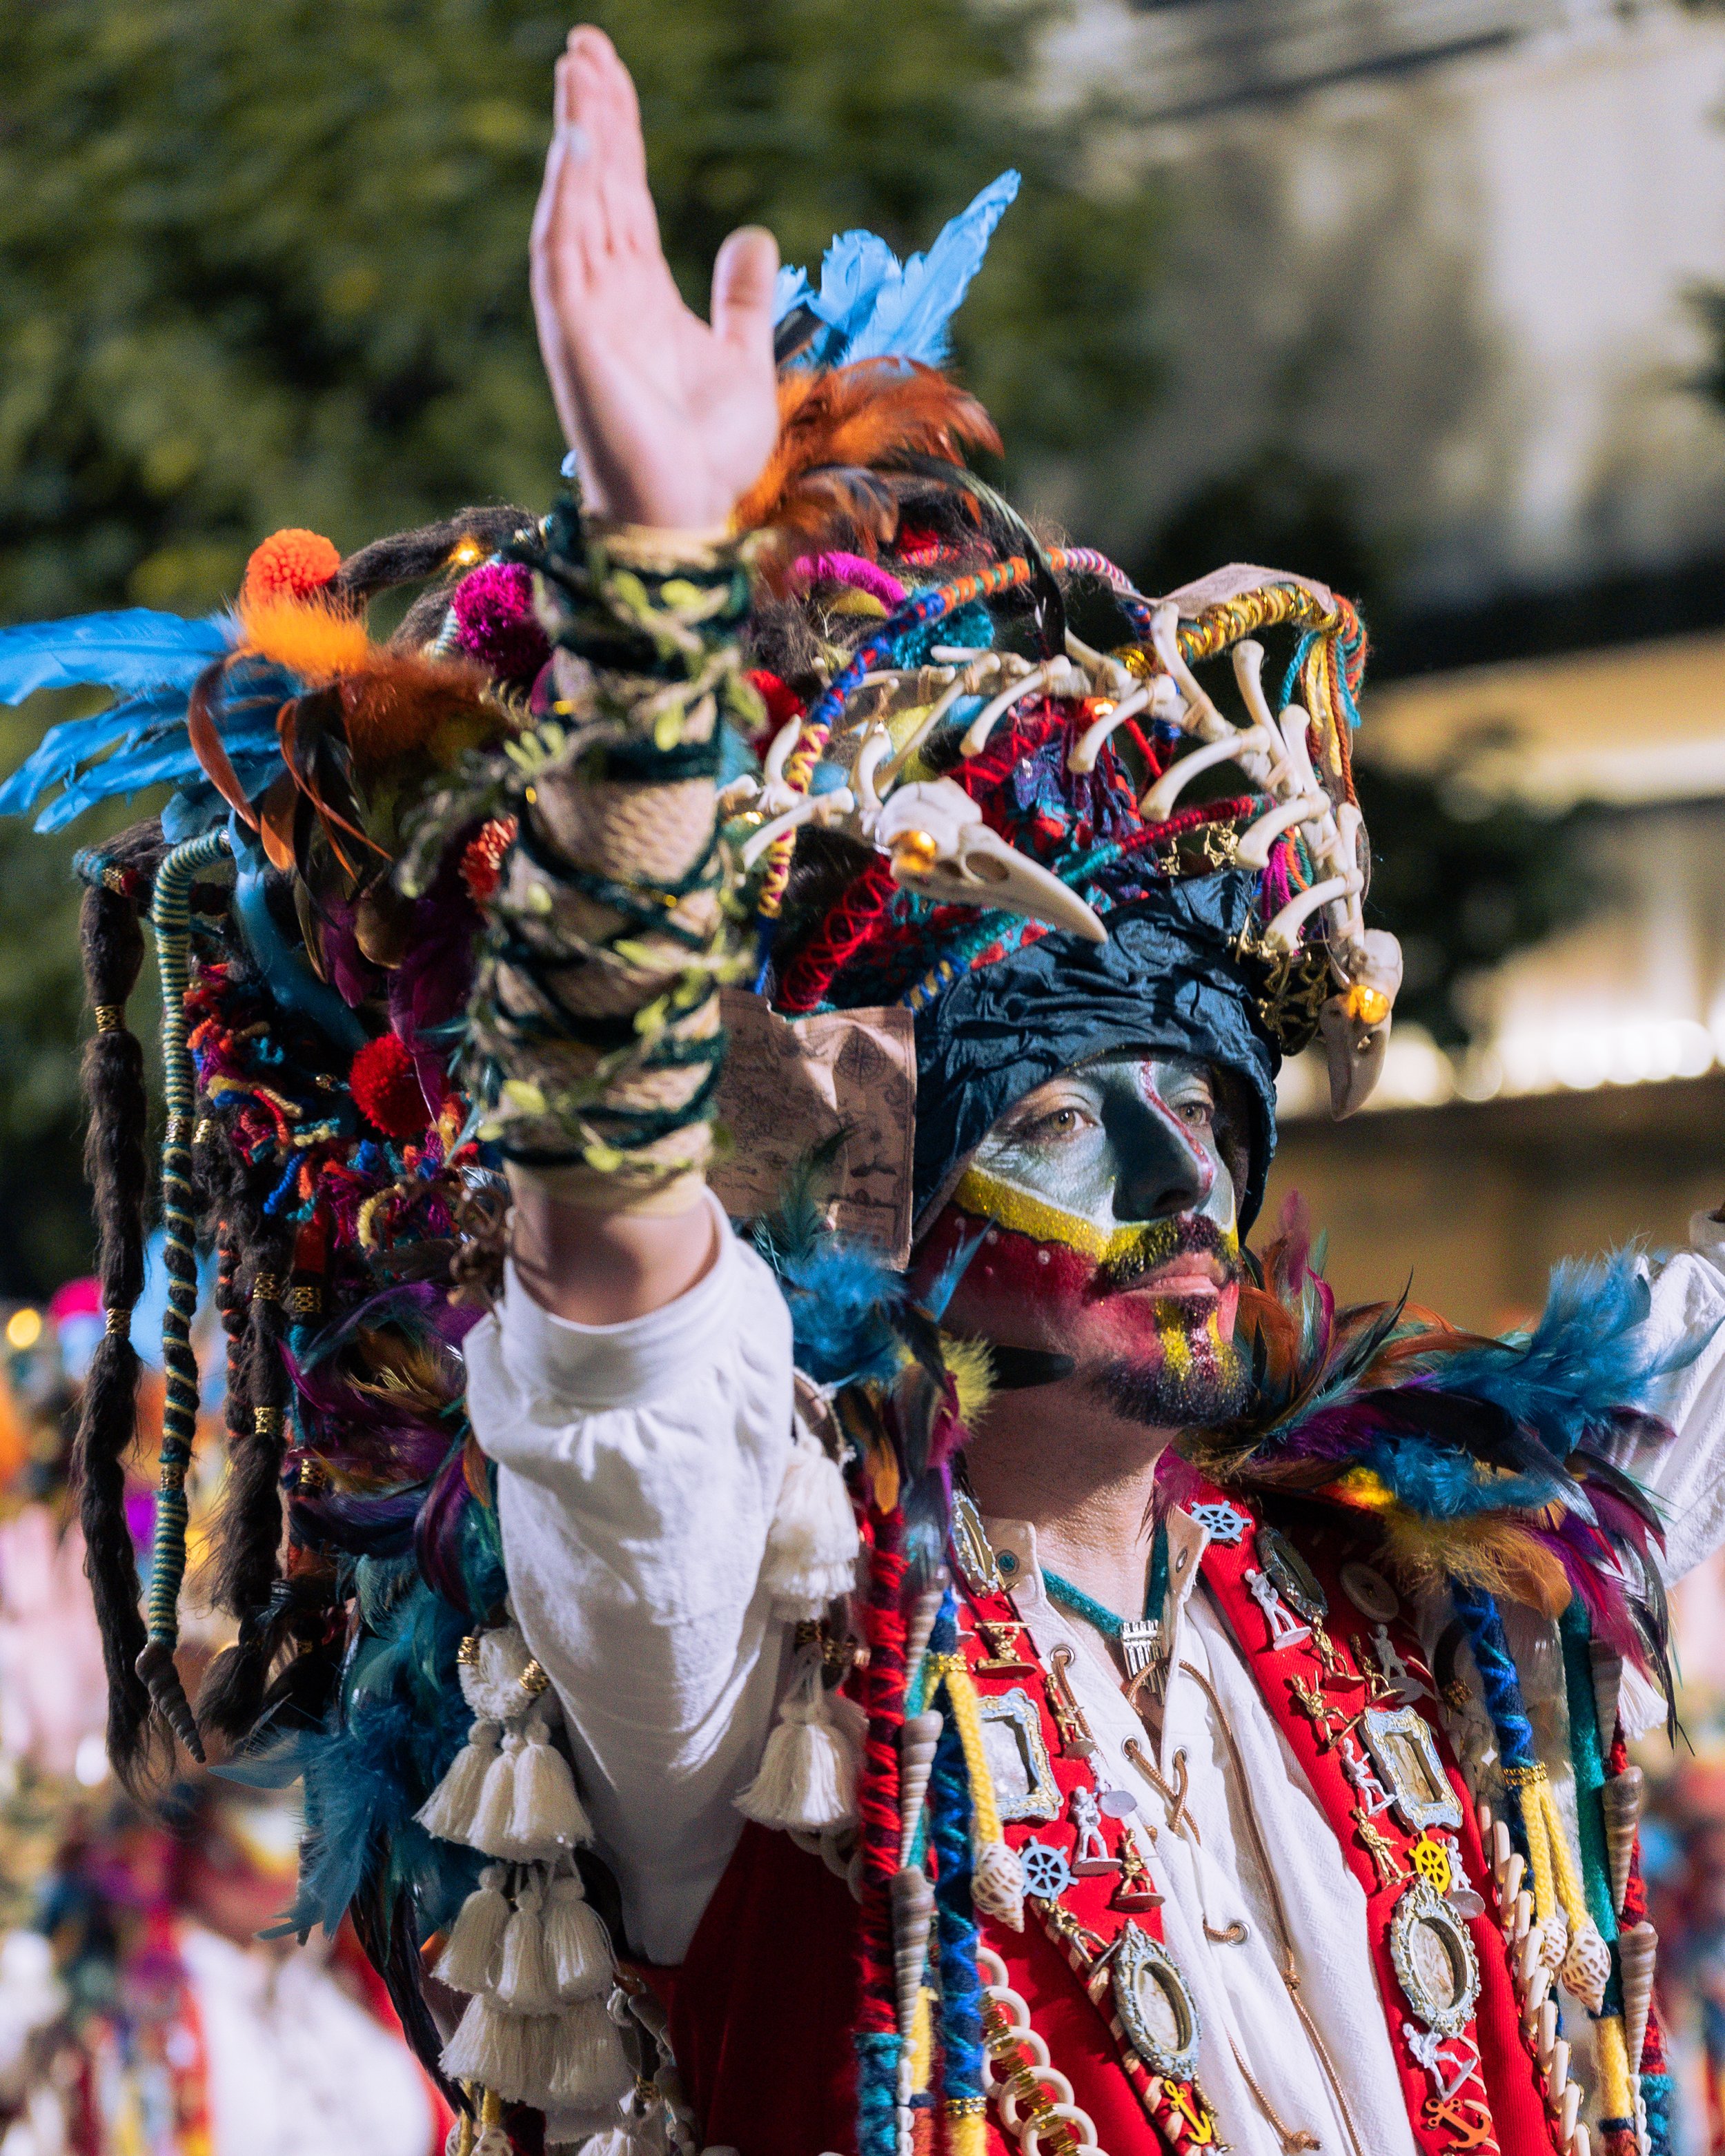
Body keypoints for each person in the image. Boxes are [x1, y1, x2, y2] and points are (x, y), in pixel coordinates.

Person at [1, 24, 1722, 2156]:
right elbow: (618, 1273)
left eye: (1203, 1112)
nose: (1179, 1179)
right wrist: (646, 640)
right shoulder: (731, 1666)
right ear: (870, 1225)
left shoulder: (1417, 1582)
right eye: (1068, 1116)